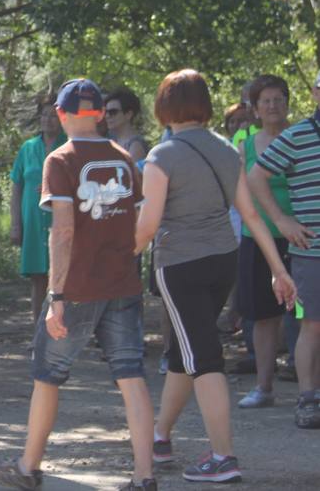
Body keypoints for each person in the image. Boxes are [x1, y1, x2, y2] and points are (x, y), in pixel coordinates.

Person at [0, 79, 155, 491]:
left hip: (76, 287)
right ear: (99, 113)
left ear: (61, 115)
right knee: (131, 376)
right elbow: (142, 222)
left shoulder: (59, 160)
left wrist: (55, 295)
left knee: (48, 374)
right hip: (123, 284)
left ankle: (28, 468)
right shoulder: (124, 158)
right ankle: (145, 476)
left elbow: (62, 231)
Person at [134, 69, 297, 484]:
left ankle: (223, 456)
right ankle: (161, 437)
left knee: (203, 358)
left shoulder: (161, 155)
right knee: (185, 354)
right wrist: (279, 269)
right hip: (224, 260)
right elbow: (250, 214)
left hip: (181, 264)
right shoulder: (228, 149)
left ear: (165, 106)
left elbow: (147, 225)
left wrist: (117, 258)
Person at [246, 69, 320, 429]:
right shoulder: (298, 136)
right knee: (312, 326)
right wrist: (281, 221)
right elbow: (256, 176)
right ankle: (308, 399)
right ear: (316, 93)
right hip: (312, 252)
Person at [235, 74, 297, 408]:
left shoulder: (302, 138)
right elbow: (239, 194)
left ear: (288, 103)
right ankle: (264, 386)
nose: (273, 106)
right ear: (256, 108)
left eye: (279, 99)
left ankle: (309, 388)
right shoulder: (245, 145)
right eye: (266, 101)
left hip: (300, 237)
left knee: (308, 315)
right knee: (263, 315)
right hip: (257, 239)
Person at [10, 98, 64, 323]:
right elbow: (17, 186)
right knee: (38, 277)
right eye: (44, 115)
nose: (47, 120)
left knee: (61, 277)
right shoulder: (28, 147)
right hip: (32, 220)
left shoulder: (68, 145)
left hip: (61, 220)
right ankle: (37, 328)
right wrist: (16, 224)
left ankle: (61, 328)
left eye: (53, 115)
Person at [104, 88, 149, 161]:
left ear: (128, 114)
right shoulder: (112, 141)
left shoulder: (135, 146)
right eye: (106, 112)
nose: (107, 116)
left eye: (113, 112)